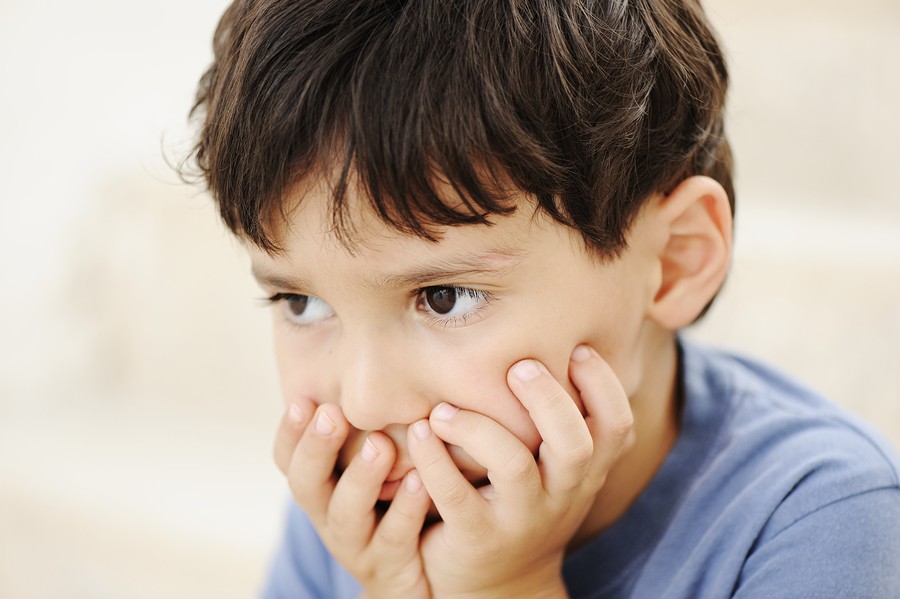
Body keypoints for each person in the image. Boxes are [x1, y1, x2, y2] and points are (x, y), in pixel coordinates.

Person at [184, 0, 900, 596]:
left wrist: (507, 586)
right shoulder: (361, 509)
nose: (365, 402)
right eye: (301, 304)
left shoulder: (821, 519)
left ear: (676, 261)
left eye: (444, 296)